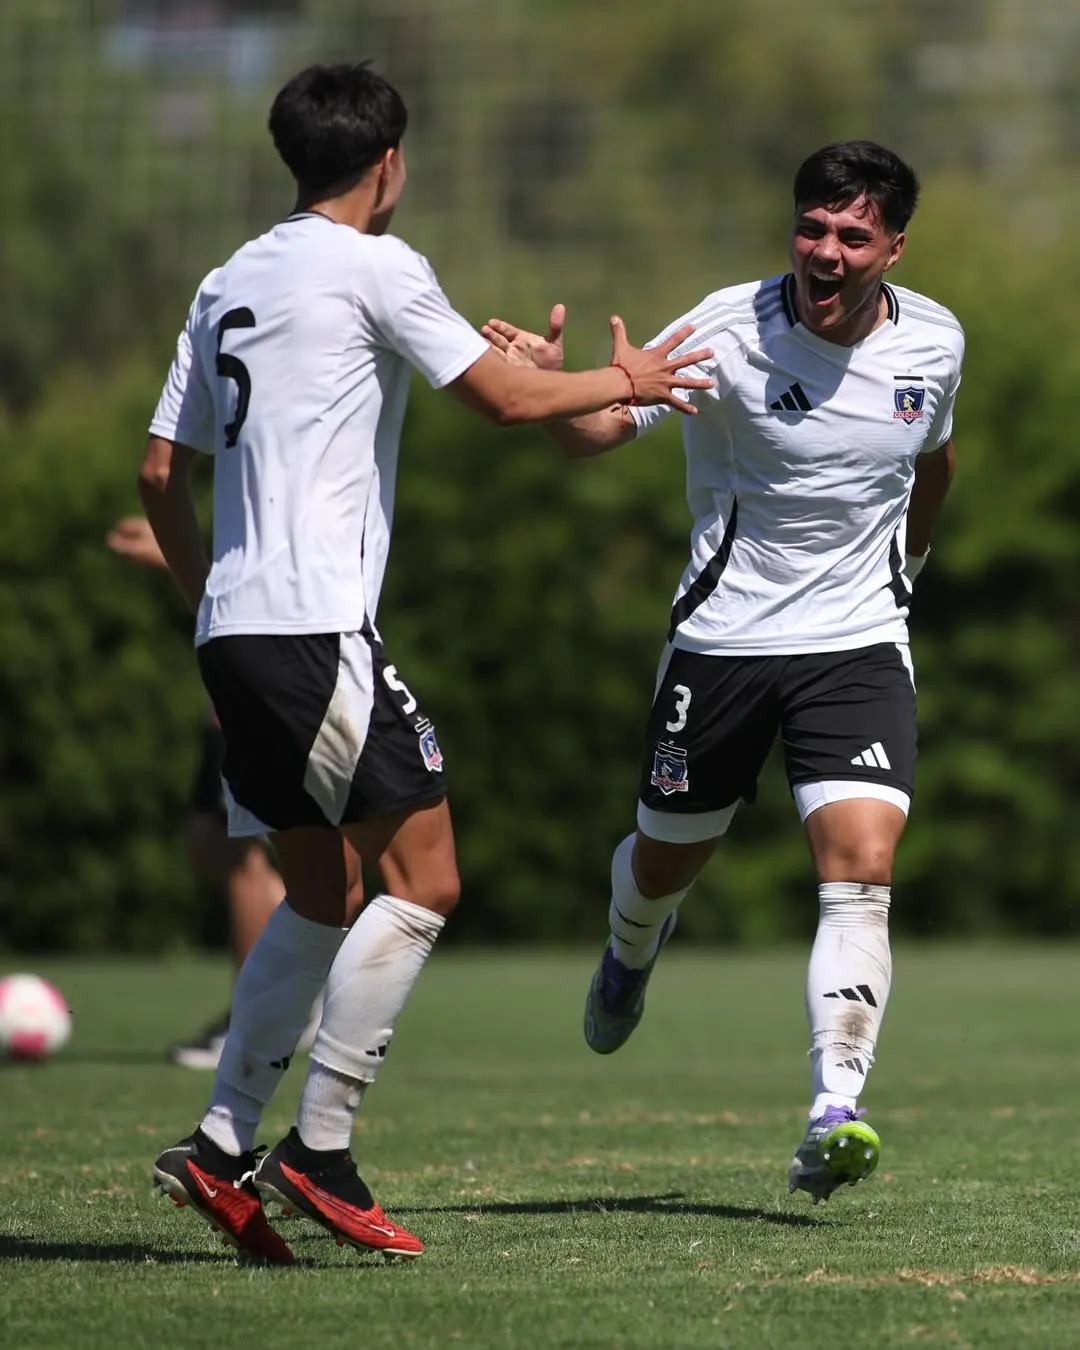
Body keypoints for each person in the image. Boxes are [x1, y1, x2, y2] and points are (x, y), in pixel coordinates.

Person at [141, 61, 712, 1265]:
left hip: (239, 631)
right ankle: (320, 1150)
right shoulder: (378, 265)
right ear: (389, 163)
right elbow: (507, 403)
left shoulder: (227, 278)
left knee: (317, 893)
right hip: (313, 631)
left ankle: (220, 1142)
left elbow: (158, 476)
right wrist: (629, 379)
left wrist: (209, 613)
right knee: (428, 878)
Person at [483, 141, 962, 1205]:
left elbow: (934, 454)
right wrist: (547, 388)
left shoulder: (937, 340)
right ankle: (629, 953)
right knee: (664, 864)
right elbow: (605, 426)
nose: (825, 251)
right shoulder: (727, 327)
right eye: (811, 228)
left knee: (863, 867)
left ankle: (836, 1106)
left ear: (892, 246)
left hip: (858, 642)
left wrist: (909, 568)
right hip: (725, 644)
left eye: (851, 234)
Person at [107, 516, 362, 1069]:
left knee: (238, 850)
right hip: (233, 684)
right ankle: (293, 996)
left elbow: (271, 560)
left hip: (265, 679)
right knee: (211, 843)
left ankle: (265, 1015)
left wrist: (174, 552)